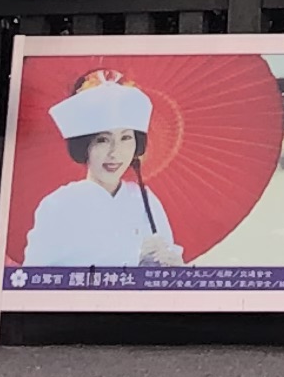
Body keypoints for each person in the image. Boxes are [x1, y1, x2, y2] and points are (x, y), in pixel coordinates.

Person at [19, 71, 186, 267]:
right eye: (102, 140)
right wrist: (132, 256)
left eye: (126, 138)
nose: (115, 152)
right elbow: (36, 275)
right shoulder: (59, 204)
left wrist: (171, 267)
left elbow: (166, 257)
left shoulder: (145, 200)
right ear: (84, 146)